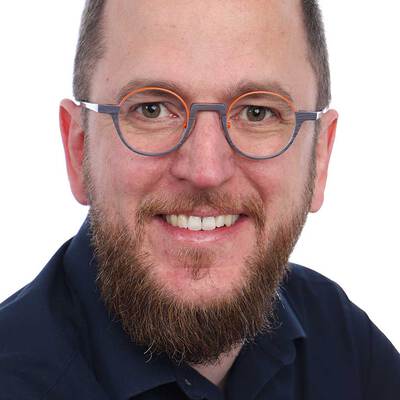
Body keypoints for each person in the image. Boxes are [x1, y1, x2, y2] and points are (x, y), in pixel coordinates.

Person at [0, 0, 399, 398]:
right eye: (152, 110)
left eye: (257, 113)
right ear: (78, 148)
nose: (206, 170)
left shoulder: (345, 347)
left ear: (320, 157)